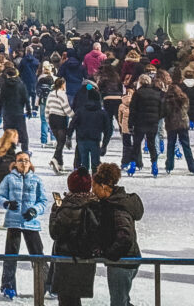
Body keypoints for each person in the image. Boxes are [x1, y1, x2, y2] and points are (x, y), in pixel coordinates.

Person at [0, 152, 48, 300]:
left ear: (30, 163)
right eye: (20, 161)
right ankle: (8, 285)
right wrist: (6, 203)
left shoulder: (36, 180)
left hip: (31, 224)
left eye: (26, 160)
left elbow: (43, 201)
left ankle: (48, 283)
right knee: (11, 255)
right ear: (15, 163)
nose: (24, 163)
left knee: (38, 255)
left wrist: (34, 210)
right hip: (14, 223)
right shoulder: (9, 179)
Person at [92, 162, 143, 306]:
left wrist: (110, 254)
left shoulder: (116, 208)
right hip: (127, 259)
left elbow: (125, 236)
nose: (93, 190)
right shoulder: (114, 202)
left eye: (94, 186)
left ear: (103, 187)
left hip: (122, 261)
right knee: (123, 301)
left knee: (118, 303)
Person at [48, 167, 100, 306]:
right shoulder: (95, 204)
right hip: (86, 257)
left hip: (66, 259)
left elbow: (55, 232)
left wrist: (54, 213)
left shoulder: (66, 206)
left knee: (67, 300)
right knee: (74, 299)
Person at [127, 74, 164, 176]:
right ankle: (154, 164)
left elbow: (133, 110)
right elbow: (162, 109)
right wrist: (157, 118)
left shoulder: (138, 93)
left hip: (140, 123)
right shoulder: (157, 93)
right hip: (153, 123)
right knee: (151, 144)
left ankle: (133, 165)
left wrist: (130, 124)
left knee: (136, 144)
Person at [68, 87, 107, 173]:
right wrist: (104, 144)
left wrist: (69, 137)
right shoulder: (101, 113)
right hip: (95, 140)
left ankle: (84, 183)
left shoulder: (81, 111)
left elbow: (72, 123)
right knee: (95, 165)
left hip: (82, 139)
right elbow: (108, 129)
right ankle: (94, 183)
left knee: (84, 165)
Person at [162, 79, 194, 175]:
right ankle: (192, 167)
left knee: (171, 145)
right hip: (183, 123)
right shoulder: (184, 99)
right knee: (186, 146)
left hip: (171, 124)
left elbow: (165, 112)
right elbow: (186, 109)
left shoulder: (167, 100)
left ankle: (169, 165)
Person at [45, 78, 73, 173]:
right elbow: (66, 108)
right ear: (62, 84)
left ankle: (60, 164)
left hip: (52, 118)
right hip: (60, 119)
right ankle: (55, 158)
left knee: (59, 141)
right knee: (62, 141)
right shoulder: (62, 94)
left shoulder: (51, 94)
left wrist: (48, 120)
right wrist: (74, 116)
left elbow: (47, 108)